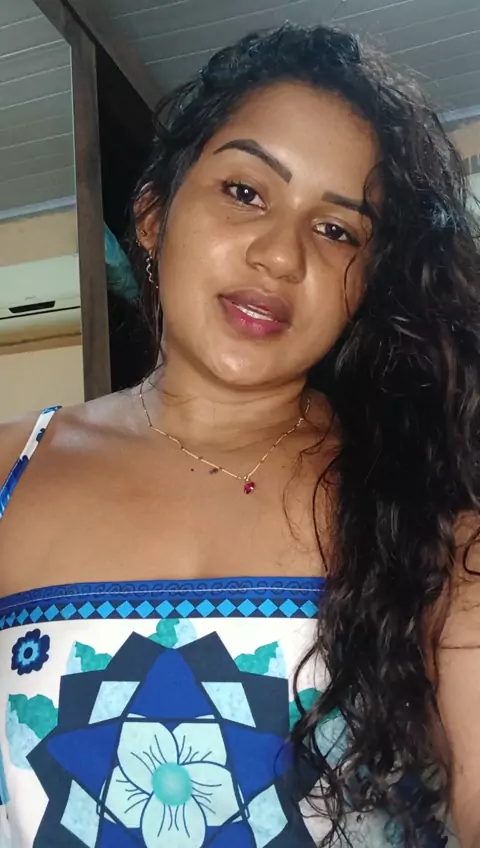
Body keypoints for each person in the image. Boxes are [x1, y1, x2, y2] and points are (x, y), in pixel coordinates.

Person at [0, 22, 479, 848]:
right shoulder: (13, 468)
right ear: (152, 215)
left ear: (366, 284)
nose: (281, 256)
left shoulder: (435, 507)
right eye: (245, 191)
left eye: (337, 230)